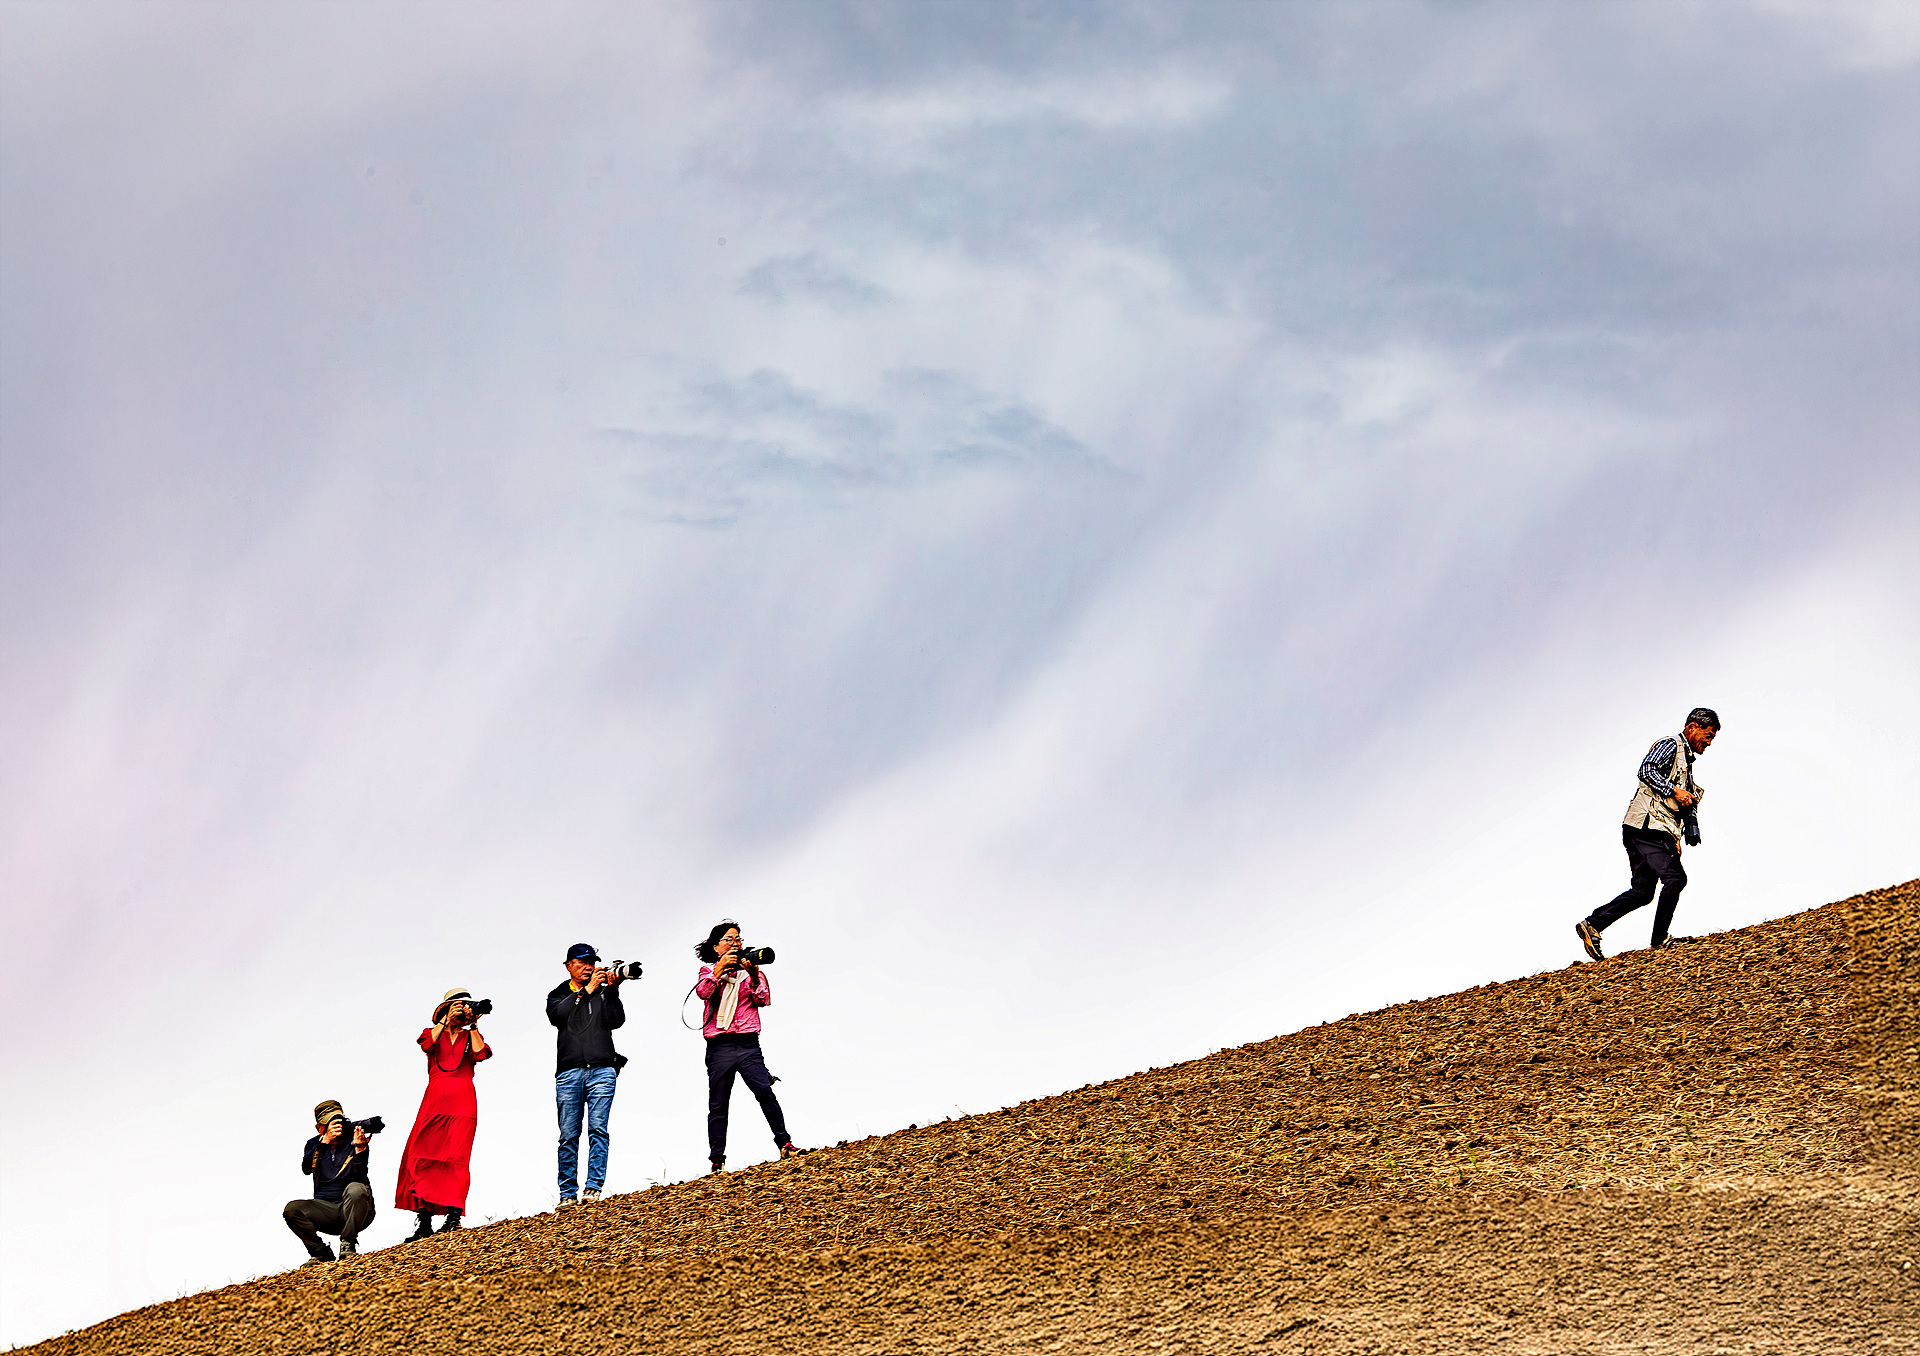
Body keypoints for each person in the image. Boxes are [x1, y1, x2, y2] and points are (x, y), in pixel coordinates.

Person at [1576, 707, 1721, 960]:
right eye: (1708, 736)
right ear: (1692, 728)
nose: (1709, 743)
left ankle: (1593, 924)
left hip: (1647, 829)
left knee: (1643, 891)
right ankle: (1660, 940)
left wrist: (1676, 837)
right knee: (1675, 878)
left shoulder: (1686, 762)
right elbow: (1646, 770)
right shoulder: (1671, 744)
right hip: (1647, 827)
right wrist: (1675, 791)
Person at [694, 919, 810, 1174]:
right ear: (716, 947)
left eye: (738, 939)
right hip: (719, 1046)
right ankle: (717, 1161)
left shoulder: (751, 971)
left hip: (748, 1044)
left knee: (765, 1092)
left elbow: (763, 999)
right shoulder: (707, 972)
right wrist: (720, 969)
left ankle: (785, 1144)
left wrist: (755, 974)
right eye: (729, 940)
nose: (735, 944)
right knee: (718, 1105)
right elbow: (703, 992)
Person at [395, 988, 492, 1240]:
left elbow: (481, 1053)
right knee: (423, 1153)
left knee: (456, 1157)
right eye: (458, 1005)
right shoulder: (432, 1033)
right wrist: (445, 1021)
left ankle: (453, 1216)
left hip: (462, 1101)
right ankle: (424, 1221)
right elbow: (427, 1045)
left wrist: (473, 1024)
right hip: (435, 1100)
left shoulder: (470, 1035)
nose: (462, 1010)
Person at [547, 942, 628, 1209]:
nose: (588, 966)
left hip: (603, 1069)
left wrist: (612, 990)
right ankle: (567, 1193)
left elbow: (616, 1021)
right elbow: (559, 1017)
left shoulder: (603, 991)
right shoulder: (558, 994)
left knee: (598, 1129)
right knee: (568, 1135)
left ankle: (593, 1187)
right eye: (582, 962)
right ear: (568, 965)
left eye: (592, 962)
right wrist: (588, 990)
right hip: (569, 1072)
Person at [283, 1100, 375, 1266]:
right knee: (292, 1209)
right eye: (331, 1123)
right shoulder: (314, 1144)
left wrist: (360, 1150)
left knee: (356, 1189)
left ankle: (348, 1244)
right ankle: (320, 1252)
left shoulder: (353, 1139)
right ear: (319, 1128)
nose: (336, 1127)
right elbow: (306, 1168)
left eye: (339, 1121)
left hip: (356, 1209)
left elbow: (360, 1176)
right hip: (326, 1211)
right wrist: (323, 1143)